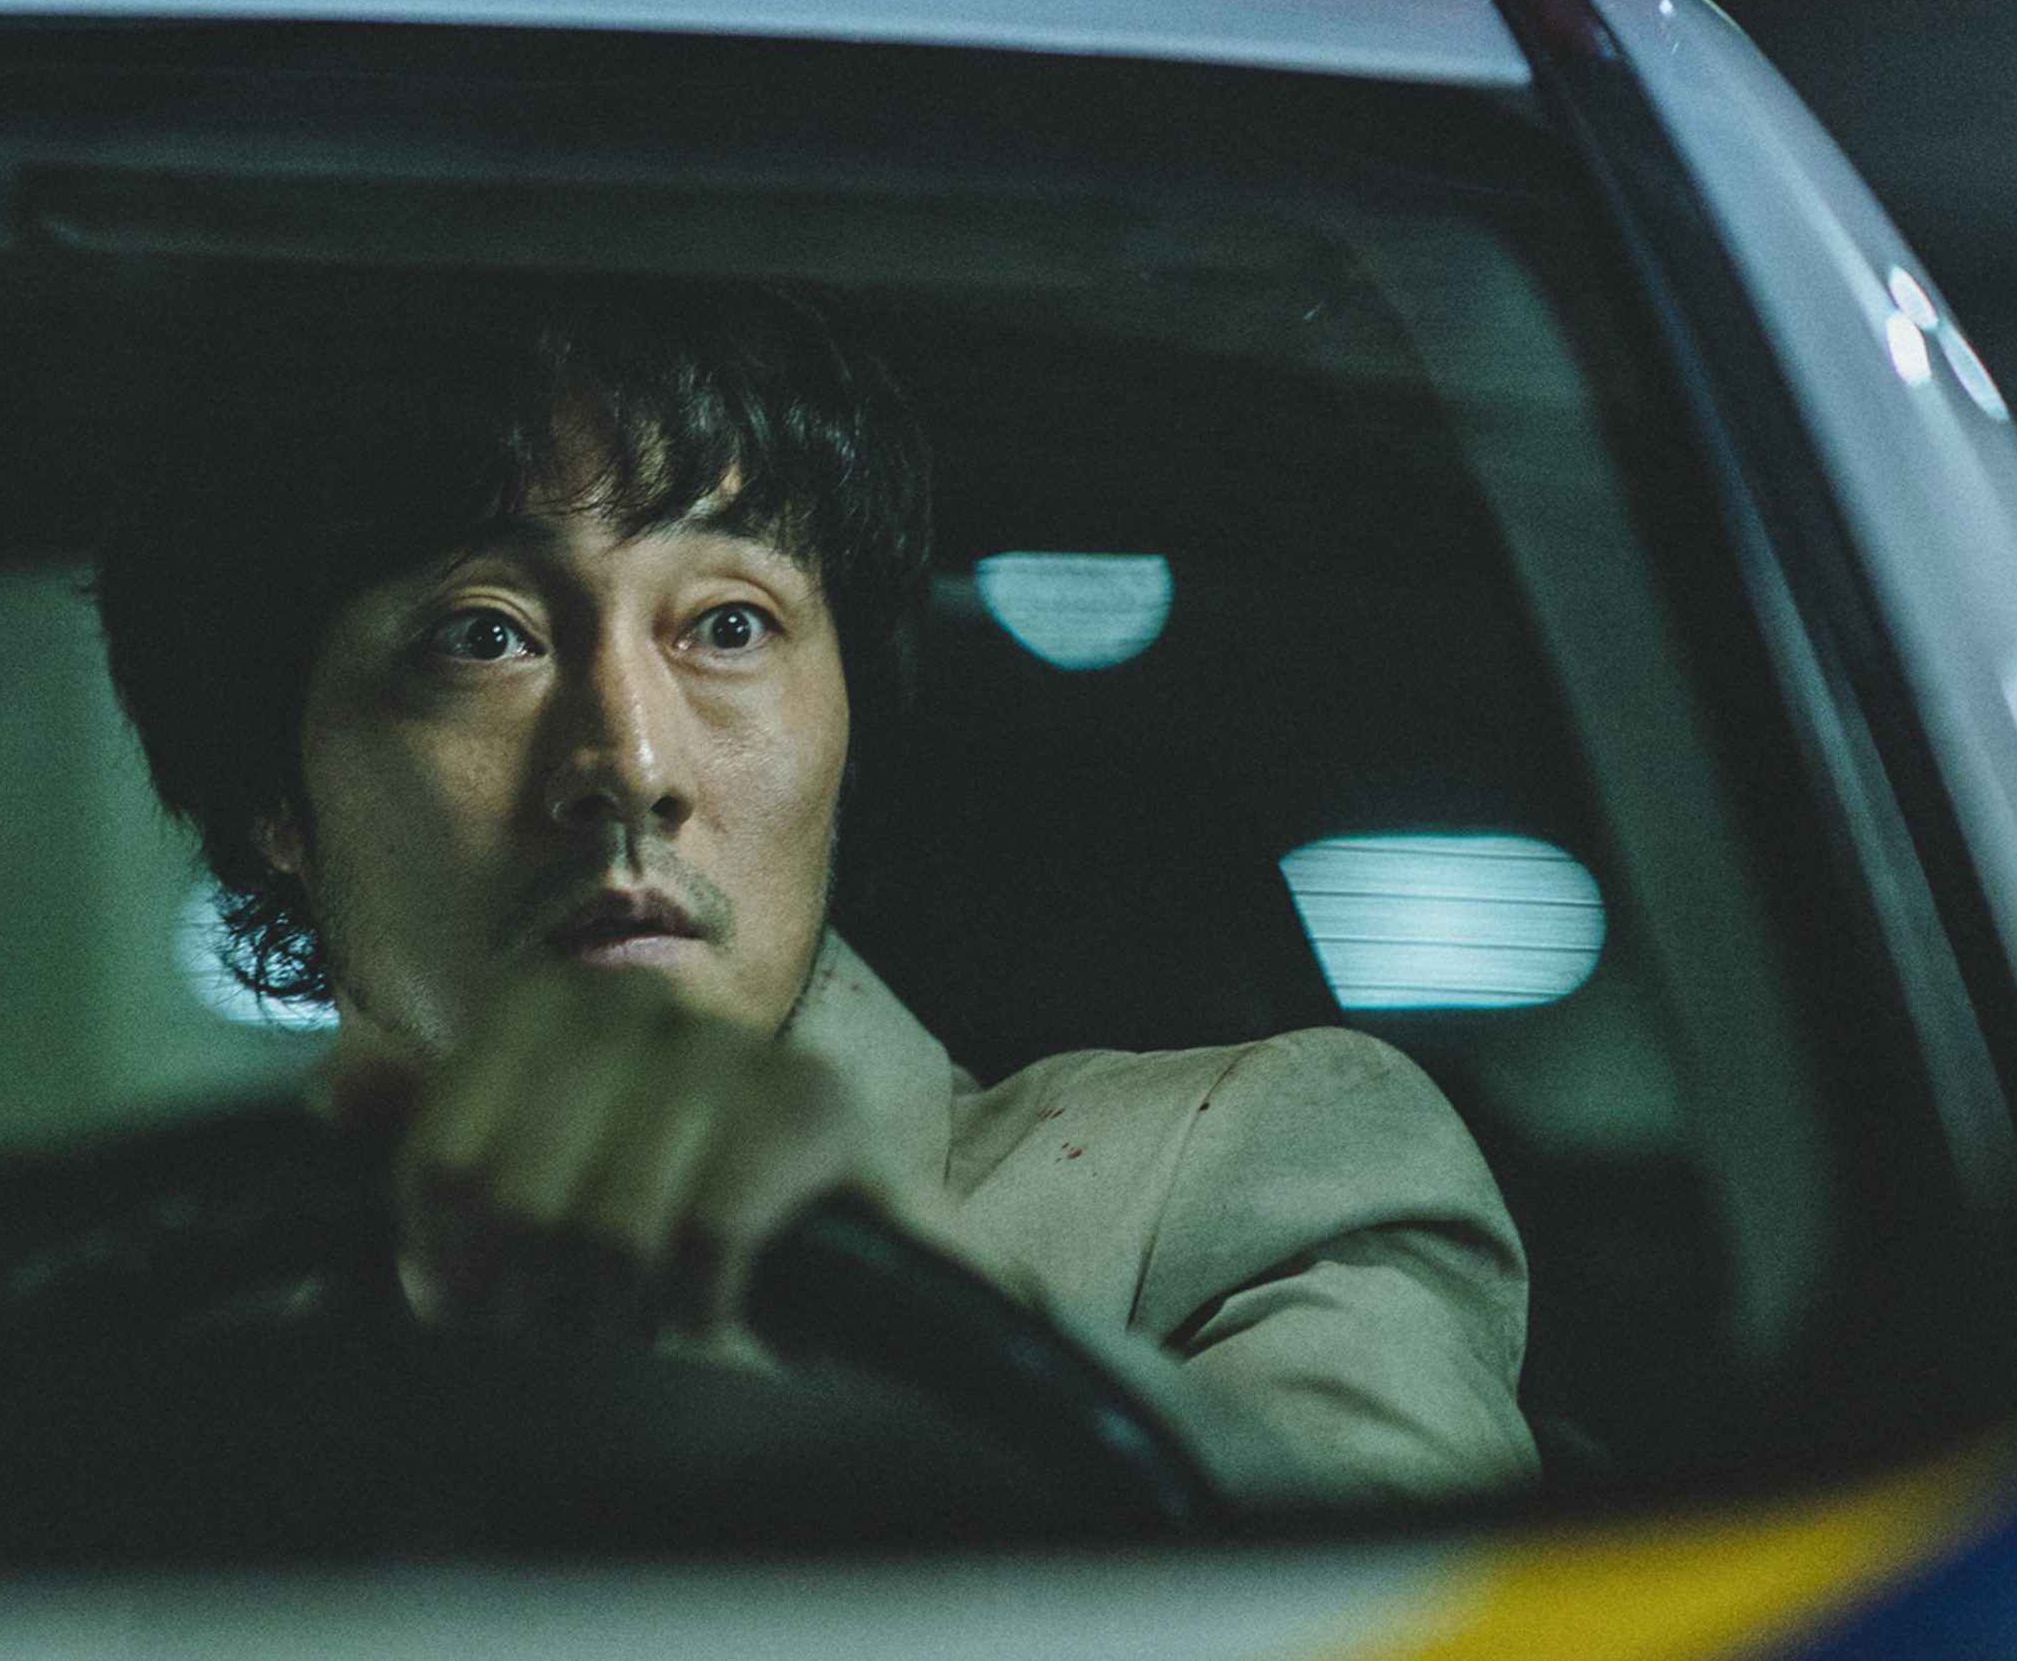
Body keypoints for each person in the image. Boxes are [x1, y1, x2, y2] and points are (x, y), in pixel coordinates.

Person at [96, 281, 1537, 1505]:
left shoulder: (1255, 1172)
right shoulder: (162, 1347)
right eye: (484, 637)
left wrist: (878, 1281)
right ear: (273, 794)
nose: (634, 764)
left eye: (729, 625)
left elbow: (1426, 1599)